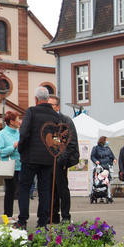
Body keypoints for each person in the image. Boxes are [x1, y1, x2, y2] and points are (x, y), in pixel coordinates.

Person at [17, 87, 62, 227]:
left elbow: (24, 133)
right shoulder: (56, 116)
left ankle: (22, 220)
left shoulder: (31, 111)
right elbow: (58, 138)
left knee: (24, 188)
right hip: (48, 158)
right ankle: (42, 222)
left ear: (36, 99)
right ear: (47, 99)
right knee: (44, 189)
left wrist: (21, 149)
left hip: (30, 157)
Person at [48, 94, 79, 223]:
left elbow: (71, 143)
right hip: (48, 161)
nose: (48, 108)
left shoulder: (66, 121)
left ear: (57, 106)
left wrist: (61, 160)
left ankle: (65, 216)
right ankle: (53, 215)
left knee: (62, 189)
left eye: (51, 105)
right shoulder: (46, 121)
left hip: (60, 161)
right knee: (50, 189)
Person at [0, 111, 22, 219]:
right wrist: (13, 146)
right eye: (17, 119)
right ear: (11, 122)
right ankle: (7, 216)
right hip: (10, 168)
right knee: (10, 192)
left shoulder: (19, 133)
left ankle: (22, 215)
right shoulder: (2, 134)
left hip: (22, 166)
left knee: (21, 192)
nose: (20, 121)